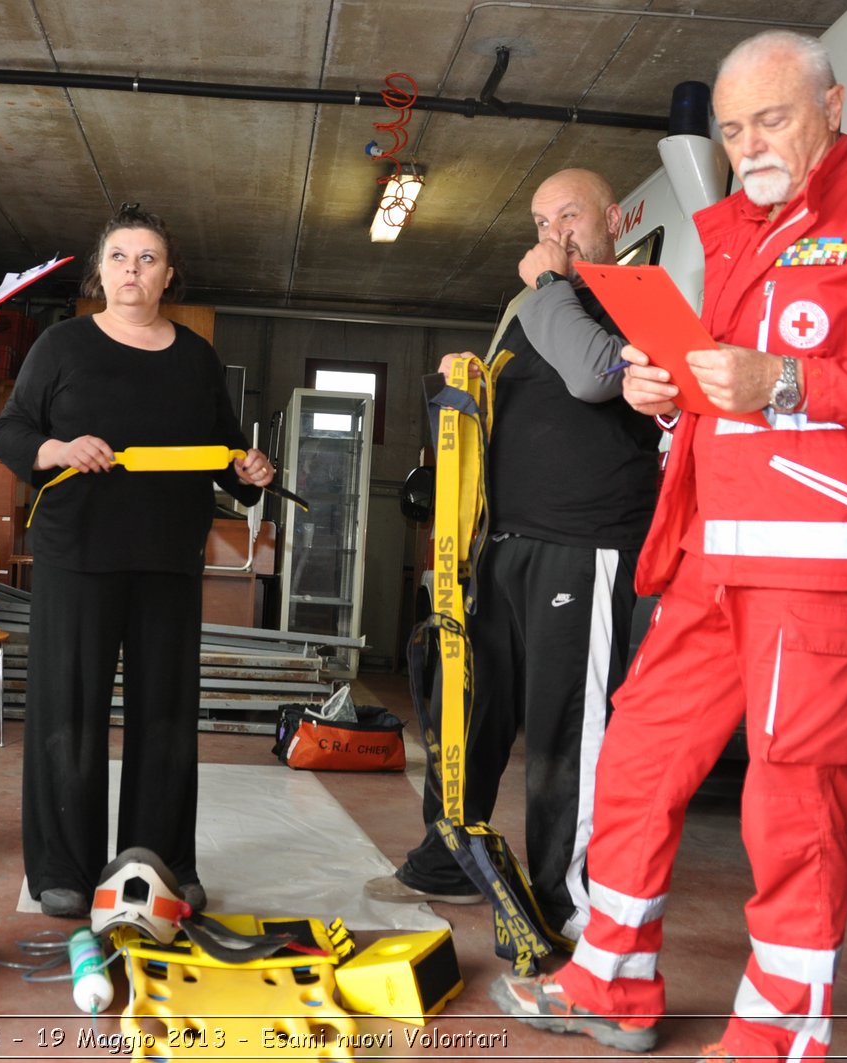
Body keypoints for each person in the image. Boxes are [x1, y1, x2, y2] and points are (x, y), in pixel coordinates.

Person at [491, 30, 847, 1062]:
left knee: (792, 795)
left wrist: (787, 381)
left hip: (822, 559)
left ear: (831, 105)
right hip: (708, 554)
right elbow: (724, 387)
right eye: (731, 128)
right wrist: (665, 388)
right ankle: (612, 979)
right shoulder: (735, 228)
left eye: (770, 118)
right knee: (635, 758)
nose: (749, 142)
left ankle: (778, 1031)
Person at [365, 170, 661, 948]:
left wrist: (546, 287)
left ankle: (572, 908)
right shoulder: (537, 304)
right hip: (503, 545)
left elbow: (597, 377)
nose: (552, 231)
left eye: (569, 214)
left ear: (615, 216)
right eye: (539, 219)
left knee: (569, 731)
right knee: (471, 706)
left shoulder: (637, 292)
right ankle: (451, 856)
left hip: (586, 544)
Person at [0, 204, 274, 919]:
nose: (132, 271)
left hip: (168, 558)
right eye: (120, 257)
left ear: (168, 275)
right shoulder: (62, 346)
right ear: (100, 271)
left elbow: (226, 455)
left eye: (148, 259)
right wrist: (55, 449)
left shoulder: (196, 358)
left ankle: (163, 860)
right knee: (69, 711)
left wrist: (253, 469)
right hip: (77, 553)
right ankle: (62, 867)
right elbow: (13, 430)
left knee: (166, 716)